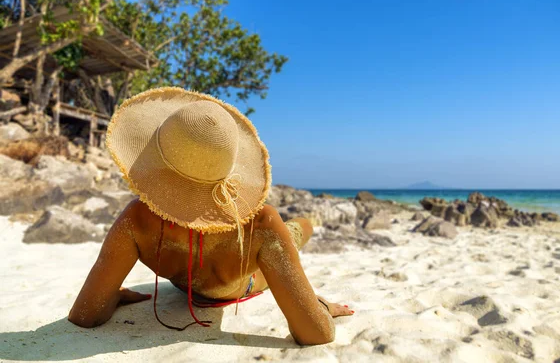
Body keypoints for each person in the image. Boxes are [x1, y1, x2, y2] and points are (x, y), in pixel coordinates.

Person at [68, 87, 353, 345]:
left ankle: (310, 222)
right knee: (298, 227)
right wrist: (317, 310)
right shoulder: (261, 222)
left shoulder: (138, 219)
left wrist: (113, 295)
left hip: (187, 283)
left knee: (301, 228)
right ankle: (311, 222)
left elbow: (85, 315)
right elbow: (317, 334)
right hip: (242, 283)